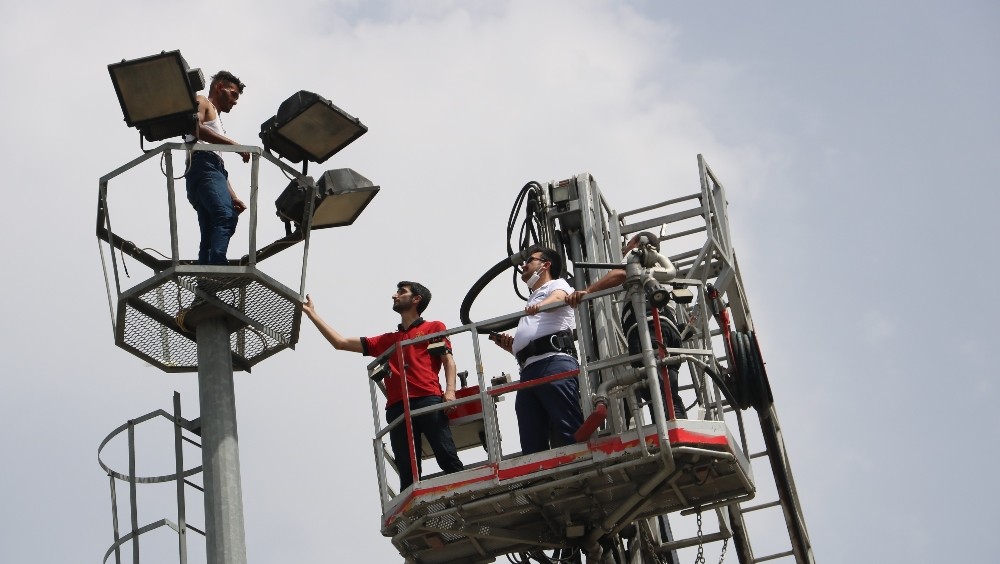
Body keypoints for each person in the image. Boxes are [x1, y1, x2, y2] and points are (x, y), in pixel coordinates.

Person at [302, 281, 464, 491]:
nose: (394, 296)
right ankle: (411, 514)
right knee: (407, 470)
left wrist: (450, 391)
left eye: (401, 292)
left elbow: (447, 360)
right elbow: (340, 342)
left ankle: (469, 498)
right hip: (398, 407)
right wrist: (312, 314)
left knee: (446, 456)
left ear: (416, 299)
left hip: (427, 398)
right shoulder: (388, 340)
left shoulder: (434, 327)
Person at [565, 232, 687, 419]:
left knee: (656, 382)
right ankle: (674, 425)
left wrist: (588, 291)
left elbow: (621, 273)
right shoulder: (660, 267)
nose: (625, 247)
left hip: (648, 328)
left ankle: (671, 428)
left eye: (628, 243)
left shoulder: (636, 257)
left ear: (638, 243)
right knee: (665, 383)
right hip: (668, 329)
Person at [491, 245, 584, 455]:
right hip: (530, 369)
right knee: (530, 433)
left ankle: (579, 467)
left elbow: (560, 298)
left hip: (554, 363)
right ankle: (539, 479)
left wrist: (541, 305)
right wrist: (514, 347)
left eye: (530, 260)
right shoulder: (533, 298)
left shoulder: (557, 285)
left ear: (545, 265)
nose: (524, 265)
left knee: (567, 424)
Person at [184, 70, 250, 265]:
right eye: (233, 94)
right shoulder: (203, 101)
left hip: (208, 170)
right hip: (203, 167)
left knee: (211, 231)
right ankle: (219, 267)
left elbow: (218, 166)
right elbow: (194, 127)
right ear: (220, 87)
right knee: (226, 216)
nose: (235, 101)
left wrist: (233, 196)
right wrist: (234, 146)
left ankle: (206, 280)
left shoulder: (217, 120)